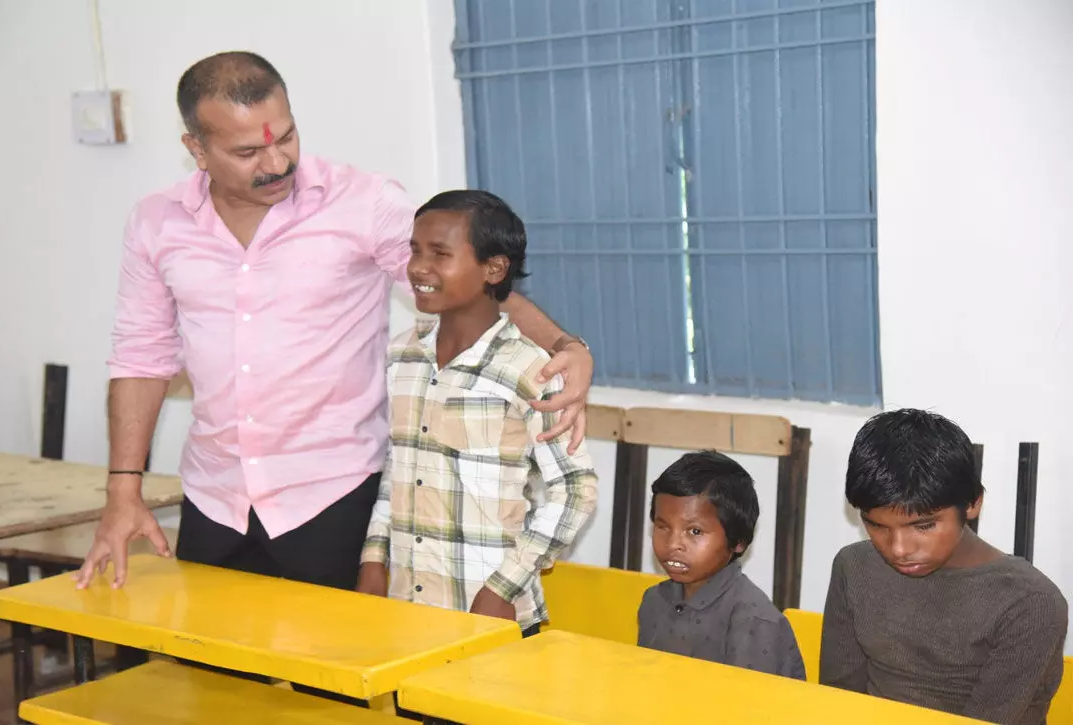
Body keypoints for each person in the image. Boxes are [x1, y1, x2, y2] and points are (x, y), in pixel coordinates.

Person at [73, 52, 595, 593]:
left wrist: (566, 345)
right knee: (207, 649)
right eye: (248, 152)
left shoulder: (361, 203)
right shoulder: (157, 222)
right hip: (215, 497)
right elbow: (141, 357)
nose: (276, 162)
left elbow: (467, 288)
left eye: (286, 137)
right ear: (197, 150)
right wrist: (123, 490)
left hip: (335, 498)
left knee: (339, 652)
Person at [356, 190, 597, 636]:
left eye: (439, 253)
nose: (418, 267)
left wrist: (501, 589)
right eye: (415, 250)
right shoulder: (403, 356)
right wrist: (374, 558)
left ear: (494, 268)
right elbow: (399, 467)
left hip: (492, 615)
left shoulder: (530, 369)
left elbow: (575, 489)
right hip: (408, 611)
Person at [821, 408, 1067, 724]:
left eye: (923, 526)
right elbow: (838, 700)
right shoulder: (853, 567)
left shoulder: (1030, 603)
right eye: (877, 526)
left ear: (973, 503)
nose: (899, 549)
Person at [636, 451, 806, 680]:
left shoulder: (752, 622)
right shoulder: (653, 602)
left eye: (694, 531)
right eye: (663, 526)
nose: (673, 544)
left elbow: (748, 702)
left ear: (738, 541)